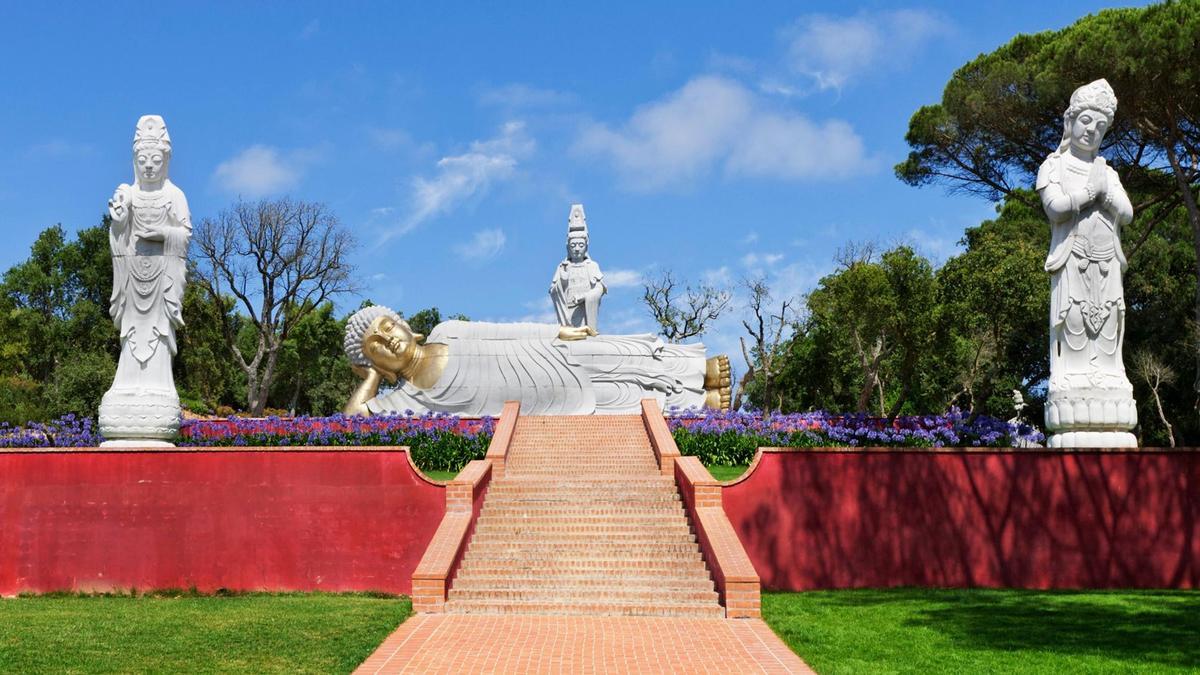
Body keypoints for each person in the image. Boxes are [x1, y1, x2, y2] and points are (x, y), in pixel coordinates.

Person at [342, 305, 731, 417]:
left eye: (387, 326)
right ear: (373, 363)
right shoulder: (408, 400)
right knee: (615, 399)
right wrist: (371, 377)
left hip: (535, 355)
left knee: (609, 351)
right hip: (536, 399)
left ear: (406, 325)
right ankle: (700, 403)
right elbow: (352, 418)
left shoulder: (447, 331)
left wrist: (552, 332)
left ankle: (697, 369)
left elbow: (500, 328)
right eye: (375, 345)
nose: (388, 339)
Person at [1036, 79, 1137, 447]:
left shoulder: (1108, 172)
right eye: (1086, 120)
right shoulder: (1053, 166)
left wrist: (1106, 192)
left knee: (1109, 323)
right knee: (1074, 322)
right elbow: (1055, 208)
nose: (1091, 130)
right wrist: (1088, 193)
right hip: (1072, 261)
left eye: (1100, 126)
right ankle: (1074, 381)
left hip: (1107, 262)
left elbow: (1125, 213)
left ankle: (1109, 381)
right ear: (1070, 122)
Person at [98, 115, 192, 443]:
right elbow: (118, 231)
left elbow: (184, 235)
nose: (149, 167)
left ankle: (158, 394)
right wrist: (119, 223)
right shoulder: (129, 193)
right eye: (143, 161)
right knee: (130, 337)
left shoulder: (175, 195)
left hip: (161, 284)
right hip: (132, 280)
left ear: (166, 160)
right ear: (134, 161)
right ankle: (125, 390)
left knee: (159, 336)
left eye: (156, 160)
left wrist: (164, 234)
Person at [550, 204, 605, 332]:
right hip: (568, 312)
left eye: (580, 245)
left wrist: (586, 296)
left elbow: (600, 288)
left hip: (584, 311)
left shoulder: (592, 266)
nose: (576, 248)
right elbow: (553, 291)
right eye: (573, 245)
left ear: (586, 246)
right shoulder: (563, 267)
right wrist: (563, 280)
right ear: (568, 247)